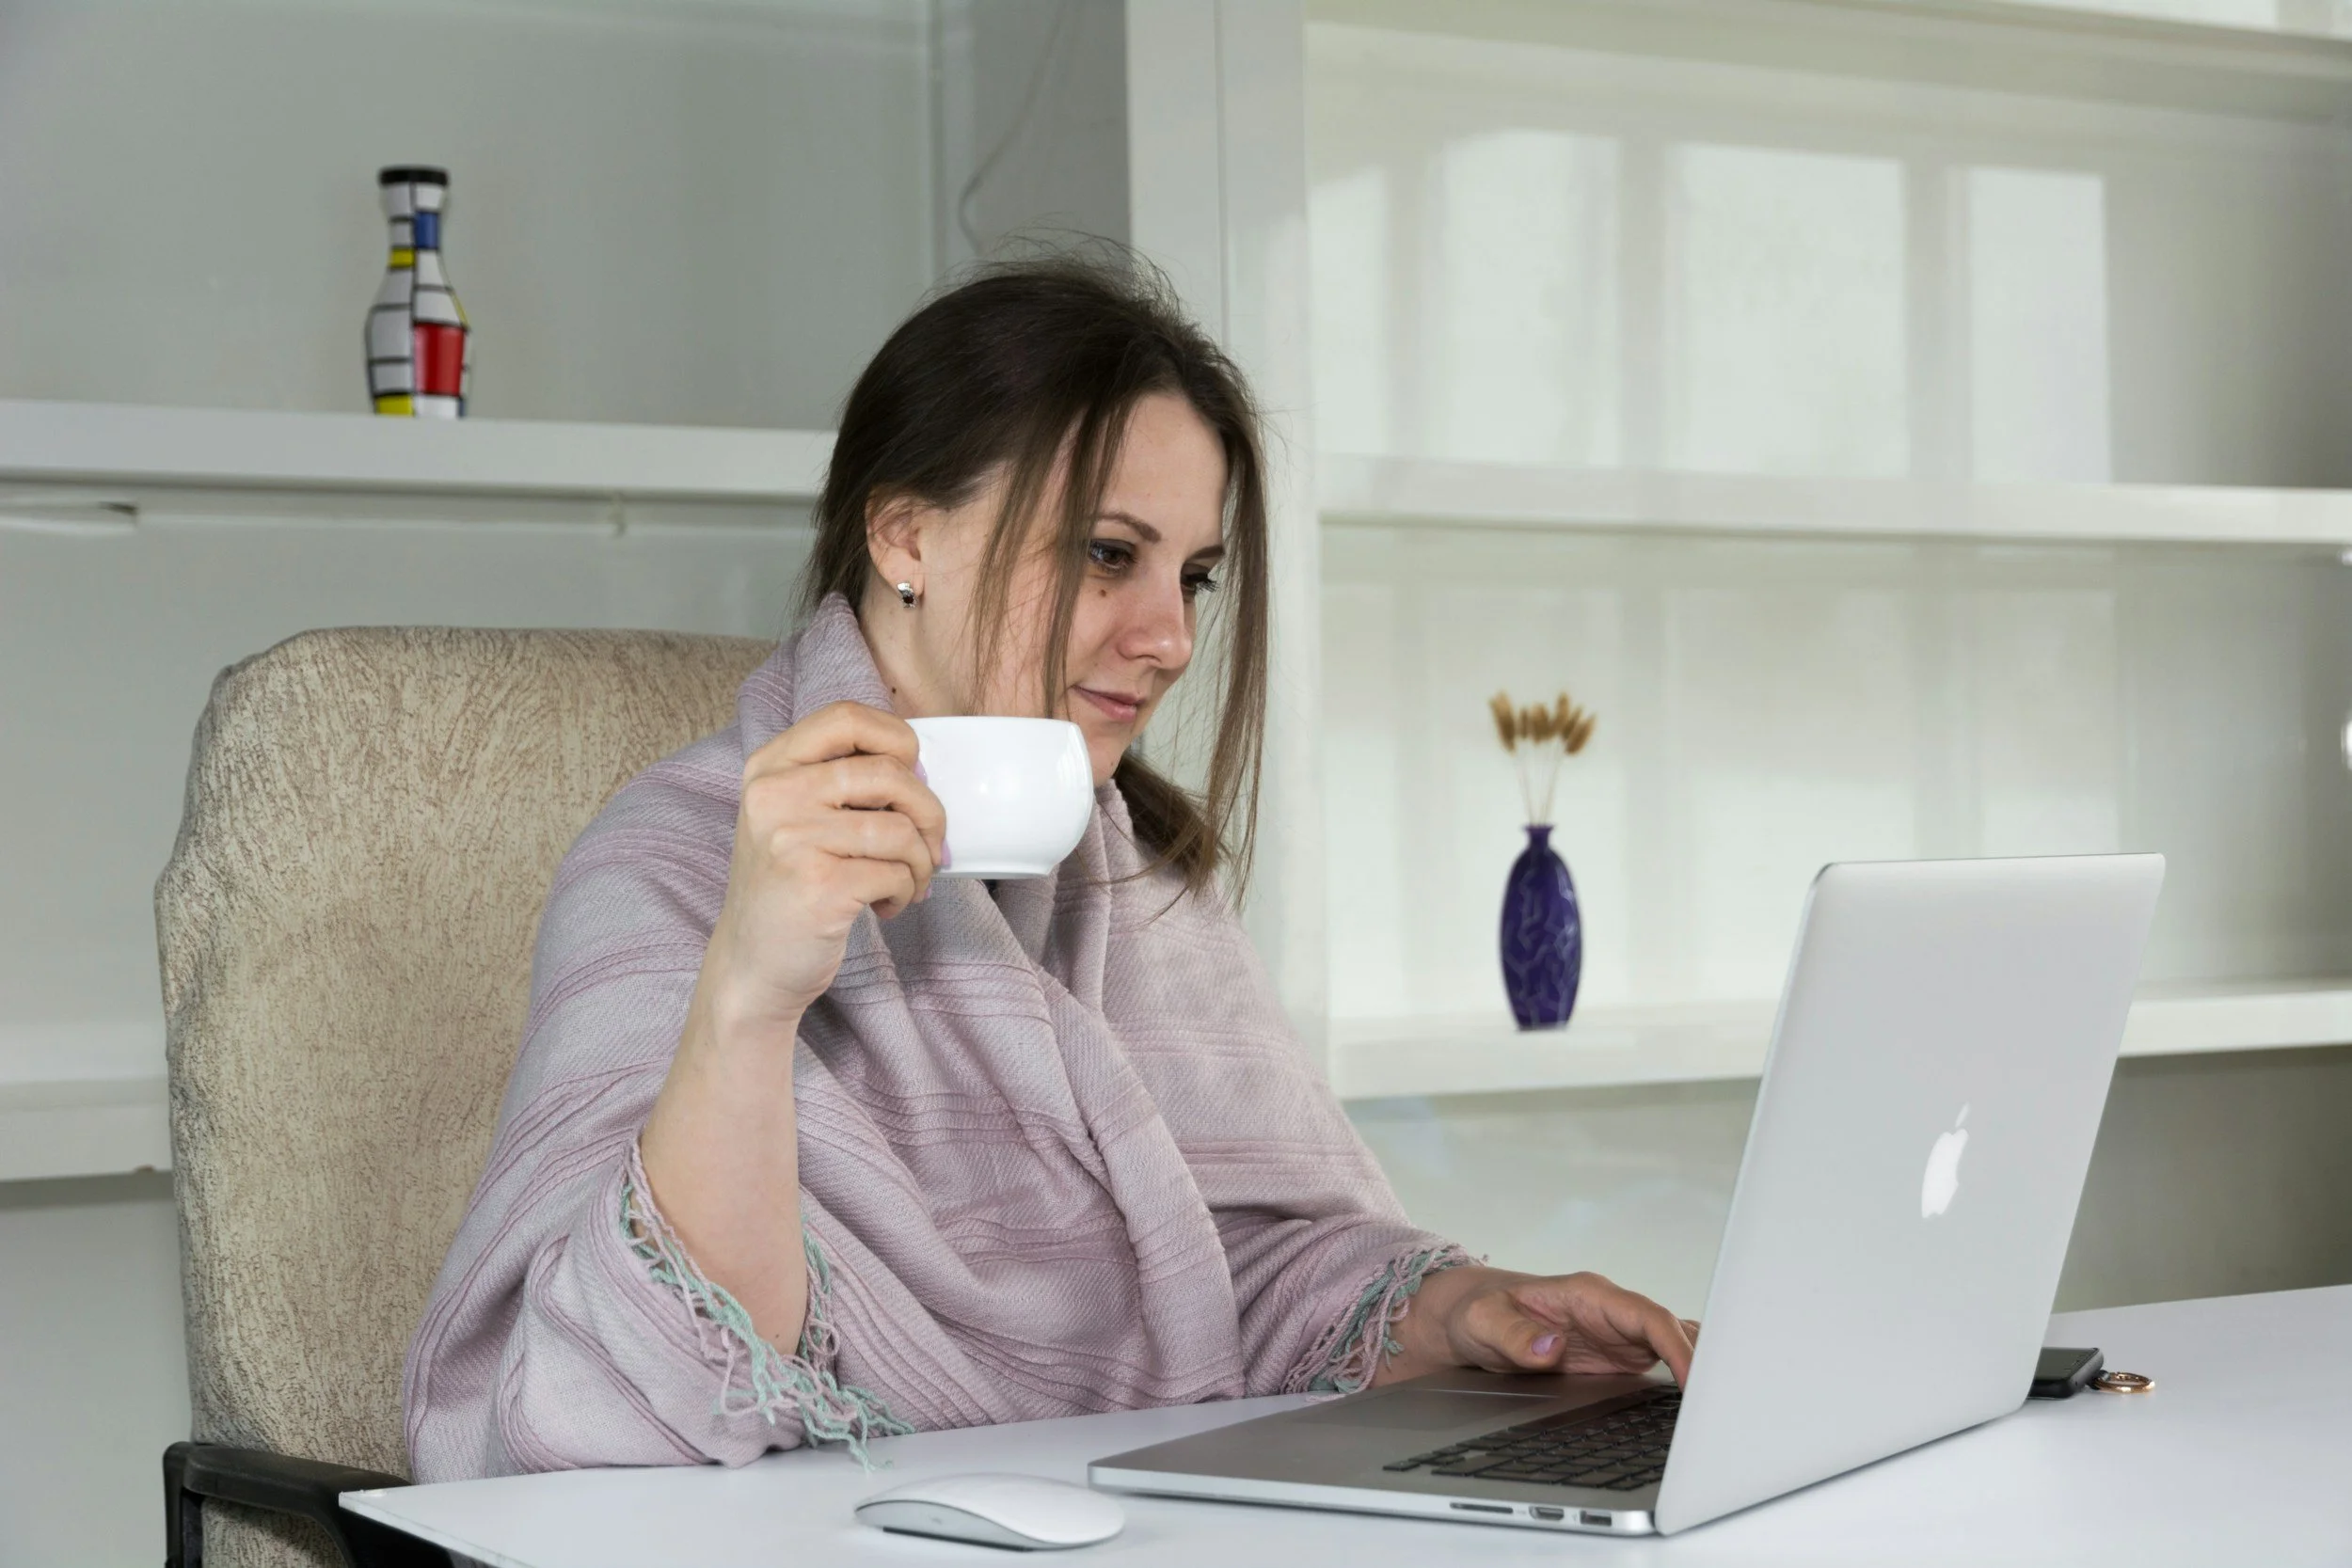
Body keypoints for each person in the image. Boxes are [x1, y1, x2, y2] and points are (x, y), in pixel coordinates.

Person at [404, 256, 1694, 1481]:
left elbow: (1237, 1277)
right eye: (1106, 553)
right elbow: (590, 1414)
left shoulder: (1134, 879)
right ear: (906, 538)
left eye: (1194, 574)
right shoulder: (666, 870)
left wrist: (1465, 1315)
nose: (1175, 636)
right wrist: (749, 995)